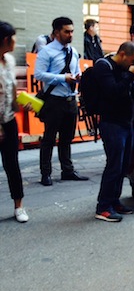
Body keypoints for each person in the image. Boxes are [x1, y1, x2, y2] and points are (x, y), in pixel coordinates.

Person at [95, 41, 134, 222]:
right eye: (132, 60)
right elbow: (112, 91)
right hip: (112, 123)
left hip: (126, 123)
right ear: (123, 54)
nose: (133, 65)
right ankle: (103, 207)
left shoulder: (126, 71)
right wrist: (130, 76)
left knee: (123, 166)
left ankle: (114, 201)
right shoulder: (104, 66)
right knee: (114, 165)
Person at [34, 16, 88, 186]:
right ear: (57, 32)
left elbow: (76, 70)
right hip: (54, 100)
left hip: (70, 100)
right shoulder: (47, 51)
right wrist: (62, 78)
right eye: (67, 31)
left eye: (72, 31)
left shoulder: (72, 51)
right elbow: (39, 74)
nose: (70, 34)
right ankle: (46, 173)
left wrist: (78, 78)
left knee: (67, 138)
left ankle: (68, 170)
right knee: (49, 138)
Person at [0, 21, 29, 222]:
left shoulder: (9, 60)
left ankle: (19, 207)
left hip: (9, 120)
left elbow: (10, 90)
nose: (15, 41)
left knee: (12, 164)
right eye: (14, 37)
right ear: (5, 40)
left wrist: (21, 104)